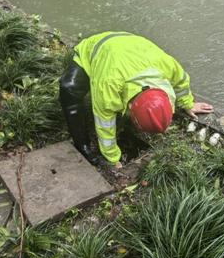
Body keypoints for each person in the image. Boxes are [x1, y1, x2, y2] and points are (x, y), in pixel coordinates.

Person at [59, 31, 214, 166]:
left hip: (131, 45)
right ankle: (82, 145)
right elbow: (104, 122)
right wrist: (112, 158)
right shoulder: (108, 86)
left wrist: (188, 103)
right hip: (96, 48)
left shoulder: (167, 65)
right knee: (69, 89)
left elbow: (181, 82)